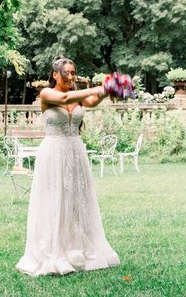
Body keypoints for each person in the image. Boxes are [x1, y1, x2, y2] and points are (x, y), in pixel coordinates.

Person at [16, 57, 120, 276]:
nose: (72, 77)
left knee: (76, 200)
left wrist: (109, 89)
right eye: (67, 73)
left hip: (76, 151)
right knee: (55, 198)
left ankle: (76, 248)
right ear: (55, 74)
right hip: (53, 153)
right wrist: (96, 87)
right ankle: (54, 250)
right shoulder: (47, 94)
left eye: (74, 73)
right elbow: (65, 96)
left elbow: (92, 101)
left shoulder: (78, 97)